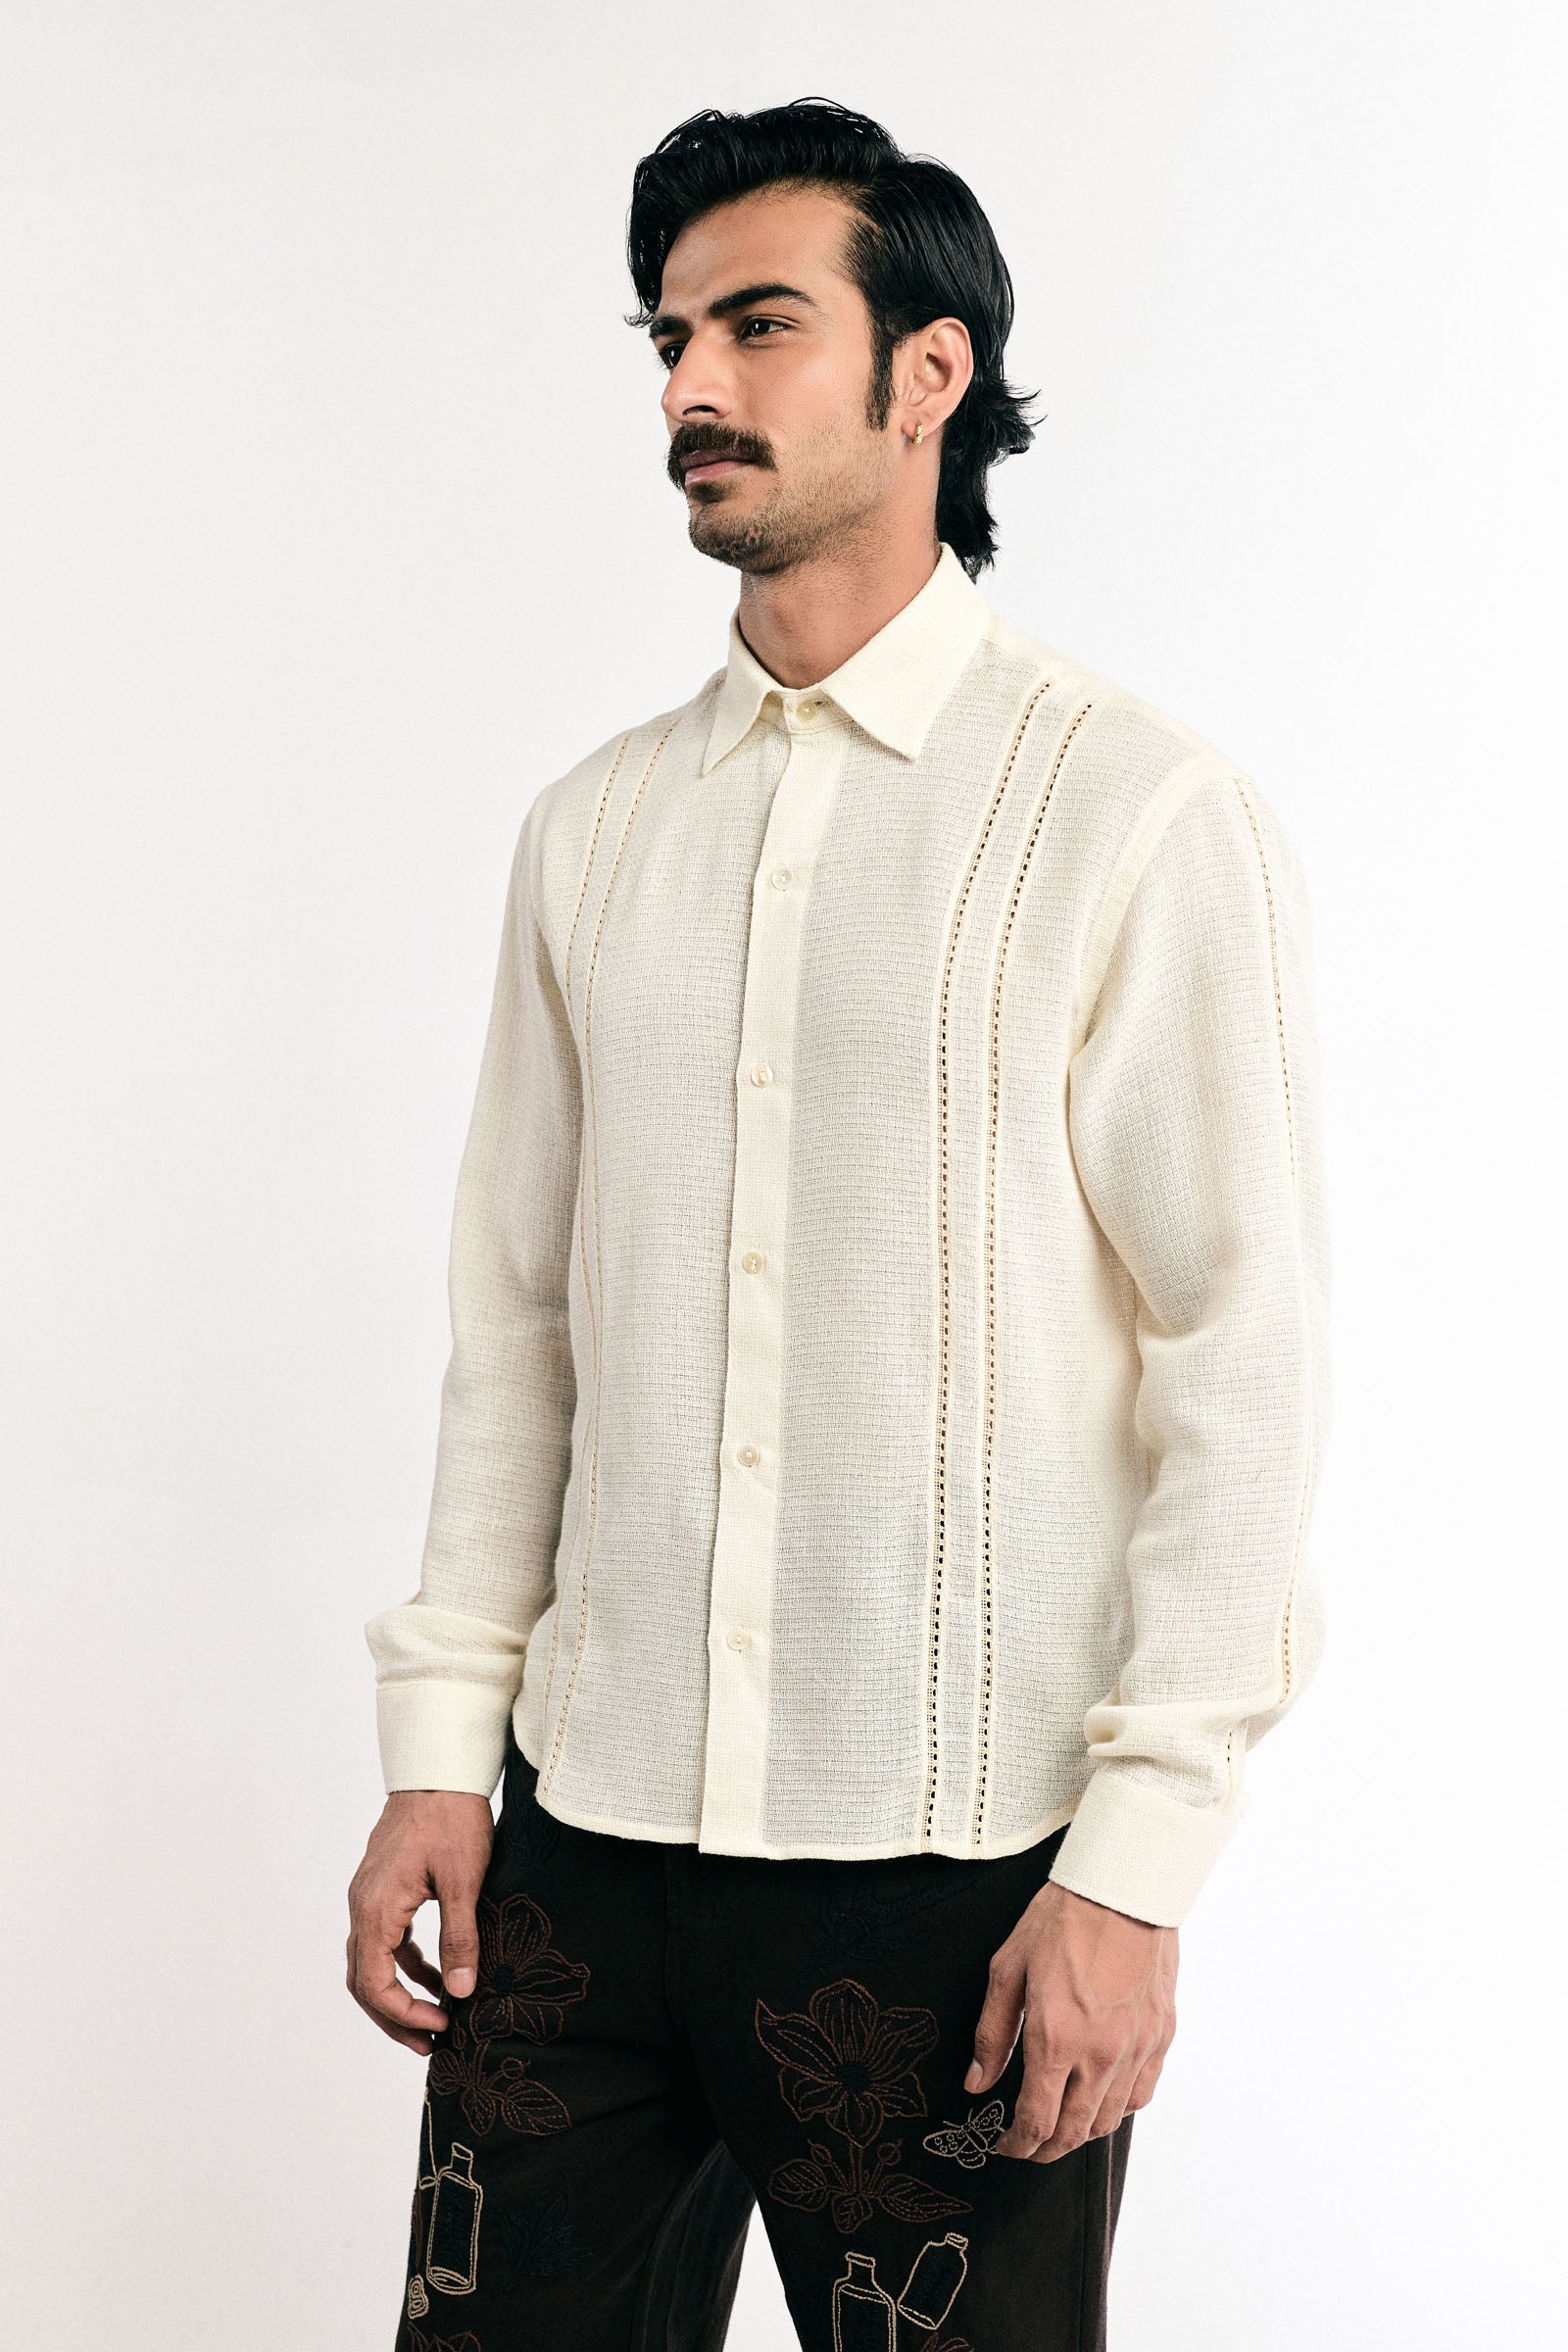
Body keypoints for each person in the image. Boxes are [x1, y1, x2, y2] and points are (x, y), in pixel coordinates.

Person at [346, 96, 1332, 2352]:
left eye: (758, 324)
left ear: (926, 373)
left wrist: (1133, 1870)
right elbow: (519, 1330)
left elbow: (1242, 1354)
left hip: (955, 1885)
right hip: (577, 1850)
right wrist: (437, 1753)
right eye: (669, 336)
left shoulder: (1128, 812)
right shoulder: (593, 833)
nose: (689, 385)